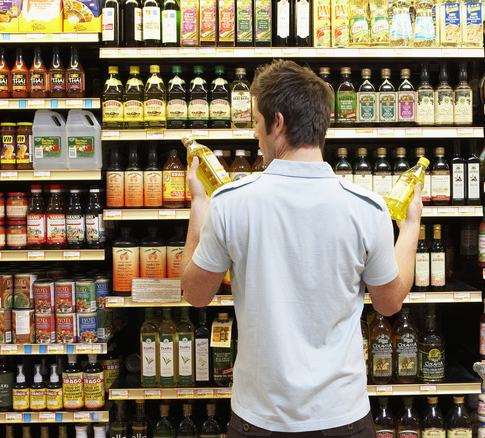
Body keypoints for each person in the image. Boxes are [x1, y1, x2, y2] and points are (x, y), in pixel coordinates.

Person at [180, 59, 422, 436]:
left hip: (259, 418)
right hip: (342, 416)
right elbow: (389, 303)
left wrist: (200, 204)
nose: (255, 136)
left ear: (277, 123)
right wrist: (410, 226)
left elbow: (195, 294)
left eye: (256, 123)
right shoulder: (366, 208)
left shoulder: (230, 202)